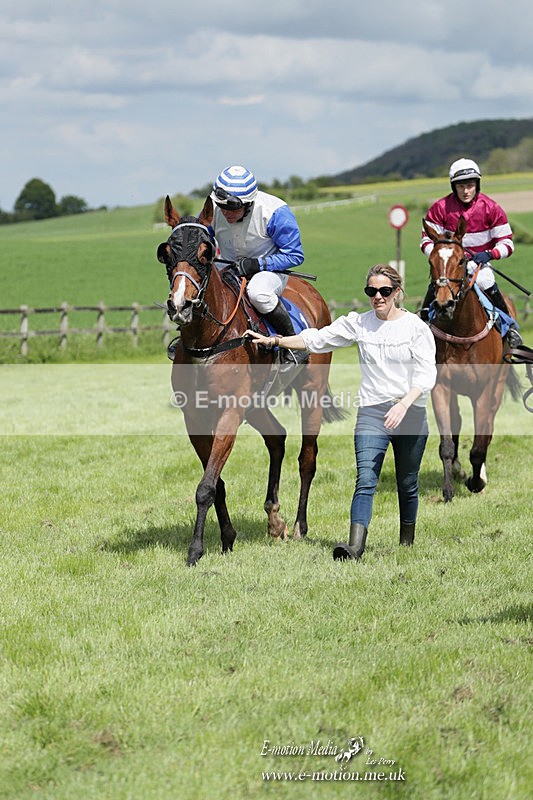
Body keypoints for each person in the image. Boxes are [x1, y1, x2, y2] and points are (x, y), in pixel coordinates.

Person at [246, 264, 437, 561]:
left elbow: (426, 376)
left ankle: (407, 542)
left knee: (407, 482)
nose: (377, 297)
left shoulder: (416, 328)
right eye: (371, 291)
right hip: (372, 412)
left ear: (397, 292)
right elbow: (316, 339)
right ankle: (354, 548)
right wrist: (277, 341)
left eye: (384, 291)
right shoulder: (359, 323)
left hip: (409, 413)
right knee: (365, 479)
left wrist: (404, 403)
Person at [209, 165, 308, 364]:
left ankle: (292, 344)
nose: (226, 212)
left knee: (258, 293)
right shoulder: (213, 210)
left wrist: (258, 264)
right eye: (222, 206)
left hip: (270, 272)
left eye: (233, 208)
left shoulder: (275, 212)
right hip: (228, 269)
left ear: (248, 203)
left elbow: (295, 256)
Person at [419, 157, 522, 347]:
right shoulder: (440, 208)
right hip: (449, 265)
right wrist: (442, 256)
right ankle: (422, 325)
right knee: (436, 285)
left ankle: (510, 329)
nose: (466, 191)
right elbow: (426, 240)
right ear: (453, 187)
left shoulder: (491, 208)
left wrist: (490, 254)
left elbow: (507, 243)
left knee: (486, 281)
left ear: (477, 185)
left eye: (470, 185)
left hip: (478, 265)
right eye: (461, 186)